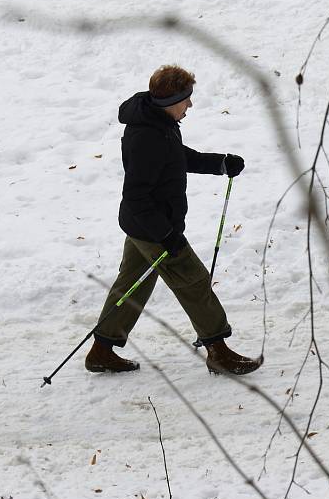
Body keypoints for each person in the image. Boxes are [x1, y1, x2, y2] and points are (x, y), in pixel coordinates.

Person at [85, 65, 261, 375]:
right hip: (154, 228)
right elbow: (137, 196)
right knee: (193, 281)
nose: (190, 105)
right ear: (171, 101)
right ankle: (217, 351)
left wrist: (220, 163)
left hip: (143, 226)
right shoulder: (147, 137)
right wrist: (166, 235)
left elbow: (177, 157)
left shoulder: (157, 123)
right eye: (186, 99)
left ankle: (101, 350)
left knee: (131, 286)